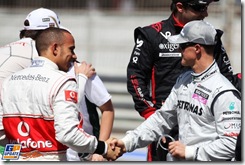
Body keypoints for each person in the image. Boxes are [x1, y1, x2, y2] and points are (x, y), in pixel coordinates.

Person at [126, 0, 240, 161]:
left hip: (202, 126)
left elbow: (226, 76)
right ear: (180, 7)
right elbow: (135, 77)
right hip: (164, 125)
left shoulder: (210, 37)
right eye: (200, 8)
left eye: (206, 7)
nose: (205, 13)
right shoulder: (151, 34)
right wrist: (150, 113)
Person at [0, 8, 115, 161]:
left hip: (16, 151)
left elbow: (10, 125)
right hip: (52, 154)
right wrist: (102, 148)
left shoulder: (12, 74)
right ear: (53, 45)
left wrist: (11, 157)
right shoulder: (69, 75)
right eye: (71, 49)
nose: (75, 55)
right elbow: (67, 132)